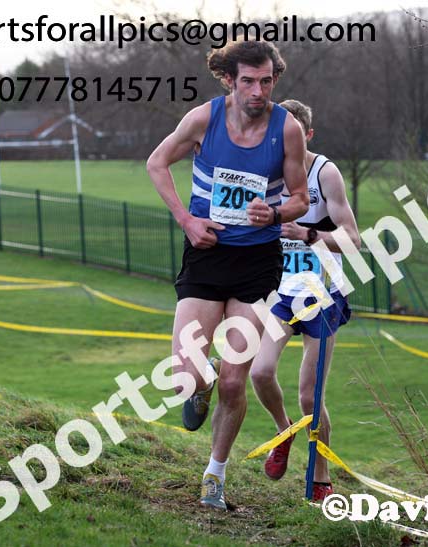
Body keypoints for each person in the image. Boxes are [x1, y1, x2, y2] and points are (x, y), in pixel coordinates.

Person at [146, 41, 309, 510]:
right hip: (207, 254)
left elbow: (299, 197)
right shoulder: (203, 119)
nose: (258, 91)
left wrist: (275, 213)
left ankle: (214, 475)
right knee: (187, 374)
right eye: (248, 82)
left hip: (258, 263)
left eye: (266, 81)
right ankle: (200, 385)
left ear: (274, 79)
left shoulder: (288, 129)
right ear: (229, 81)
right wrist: (187, 220)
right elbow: (157, 163)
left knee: (236, 382)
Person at [249, 99, 360, 502]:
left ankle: (321, 477)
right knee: (260, 373)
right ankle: (284, 431)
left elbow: (354, 239)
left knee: (310, 396)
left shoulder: (324, 173)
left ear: (307, 135)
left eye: (294, 133)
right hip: (281, 296)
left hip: (323, 297)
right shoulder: (265, 174)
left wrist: (310, 235)